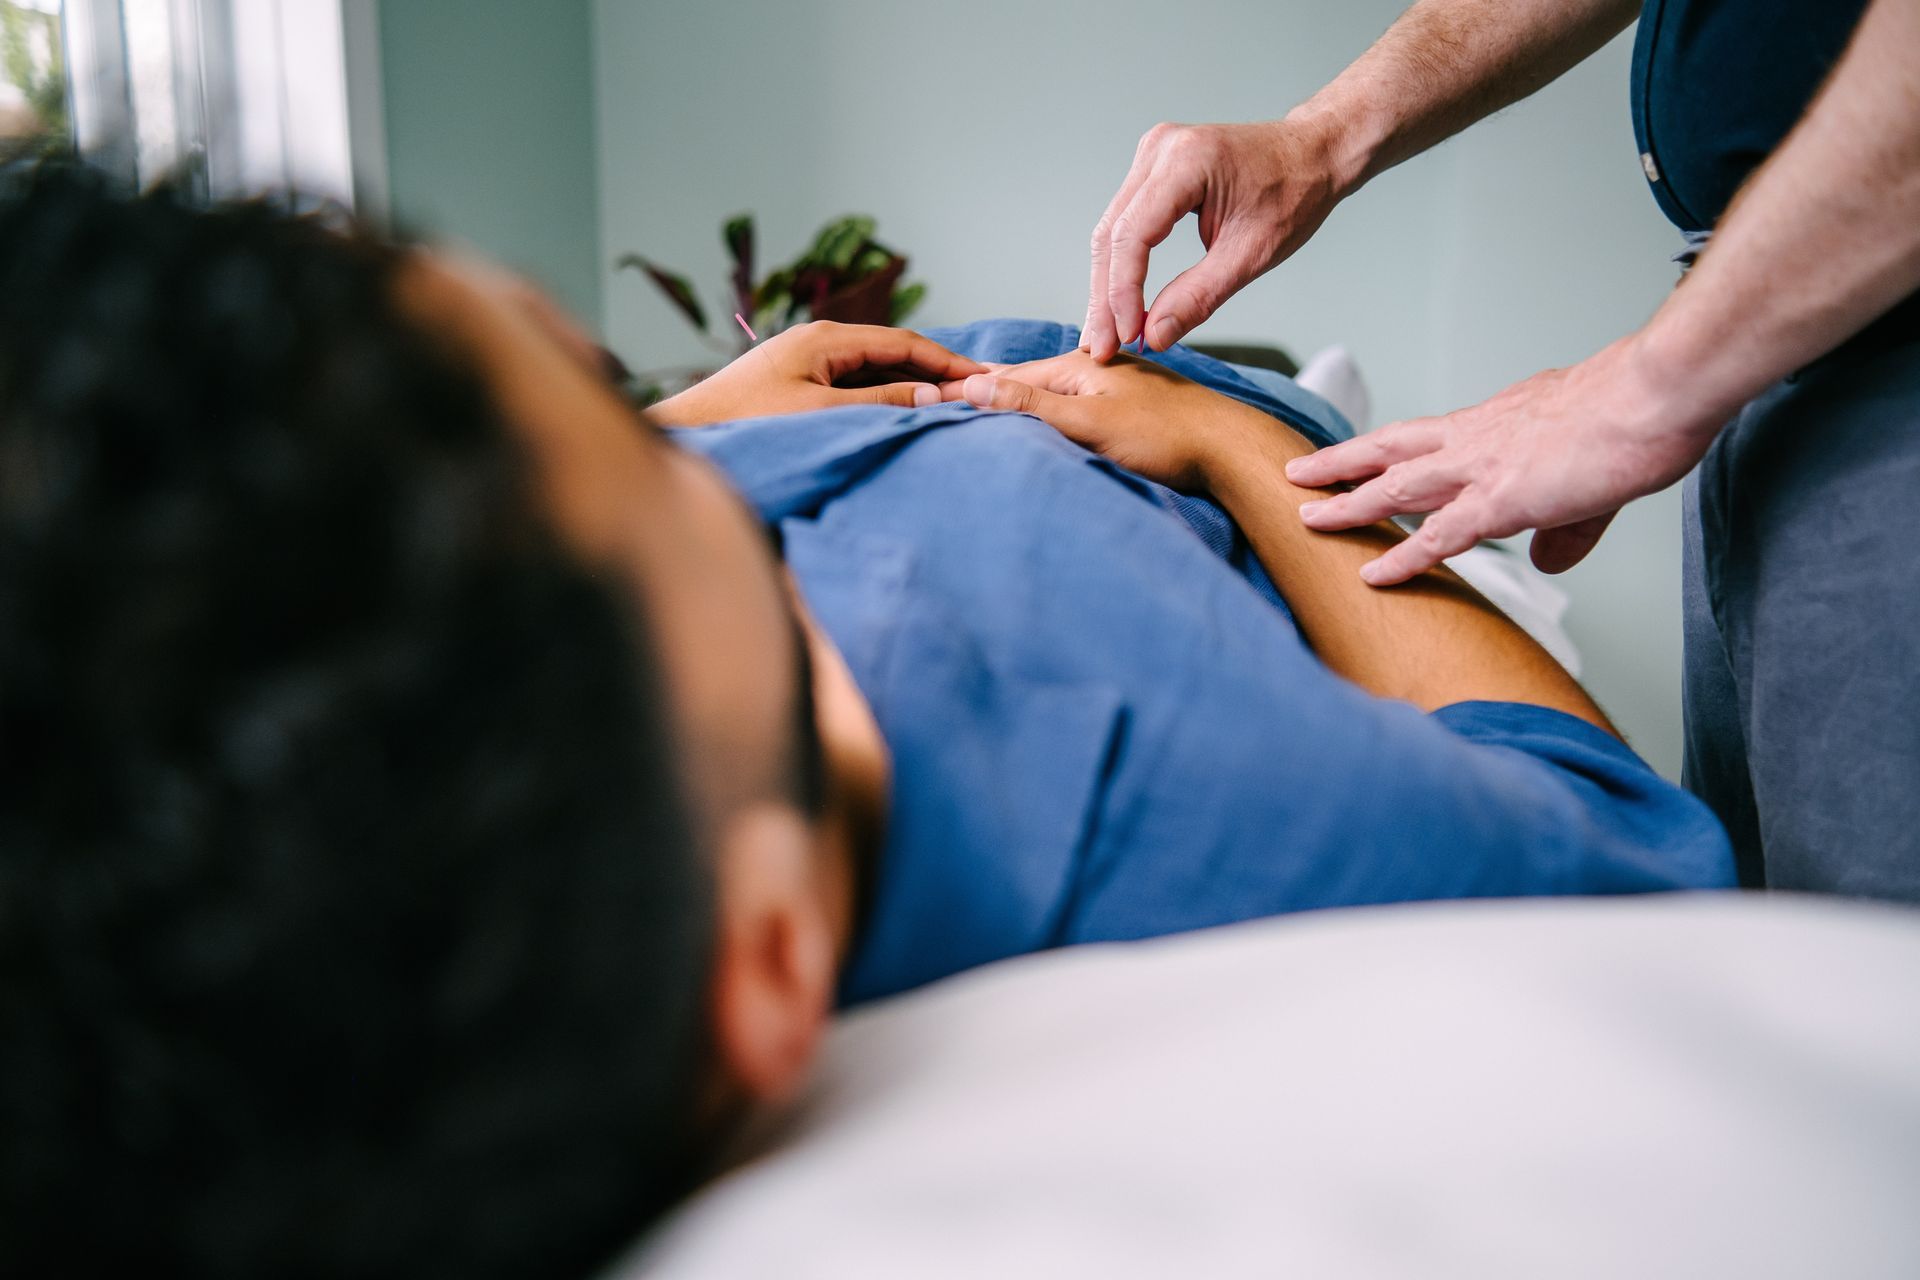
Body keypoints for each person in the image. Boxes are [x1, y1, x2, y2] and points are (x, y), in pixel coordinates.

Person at [0, 163, 1730, 1279]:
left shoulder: (520, 697)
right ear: (763, 965)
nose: (550, 325)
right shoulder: (1191, 786)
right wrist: (1223, 447)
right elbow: (1632, 851)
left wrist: (675, 422)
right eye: (577, 415)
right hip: (1177, 431)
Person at [1079, 0, 1920, 901]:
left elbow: (1615, 848)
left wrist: (1648, 388)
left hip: (1868, 315)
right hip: (1765, 324)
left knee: (1864, 964)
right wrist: (1313, 142)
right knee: (1771, 930)